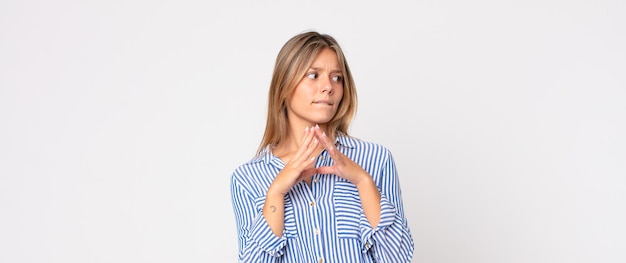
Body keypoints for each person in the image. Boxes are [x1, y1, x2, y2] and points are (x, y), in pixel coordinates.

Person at [230, 31, 414, 263]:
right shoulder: (248, 178)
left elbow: (398, 258)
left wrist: (363, 182)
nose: (328, 87)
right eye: (313, 75)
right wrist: (276, 193)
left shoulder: (376, 159)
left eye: (337, 78)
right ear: (284, 84)